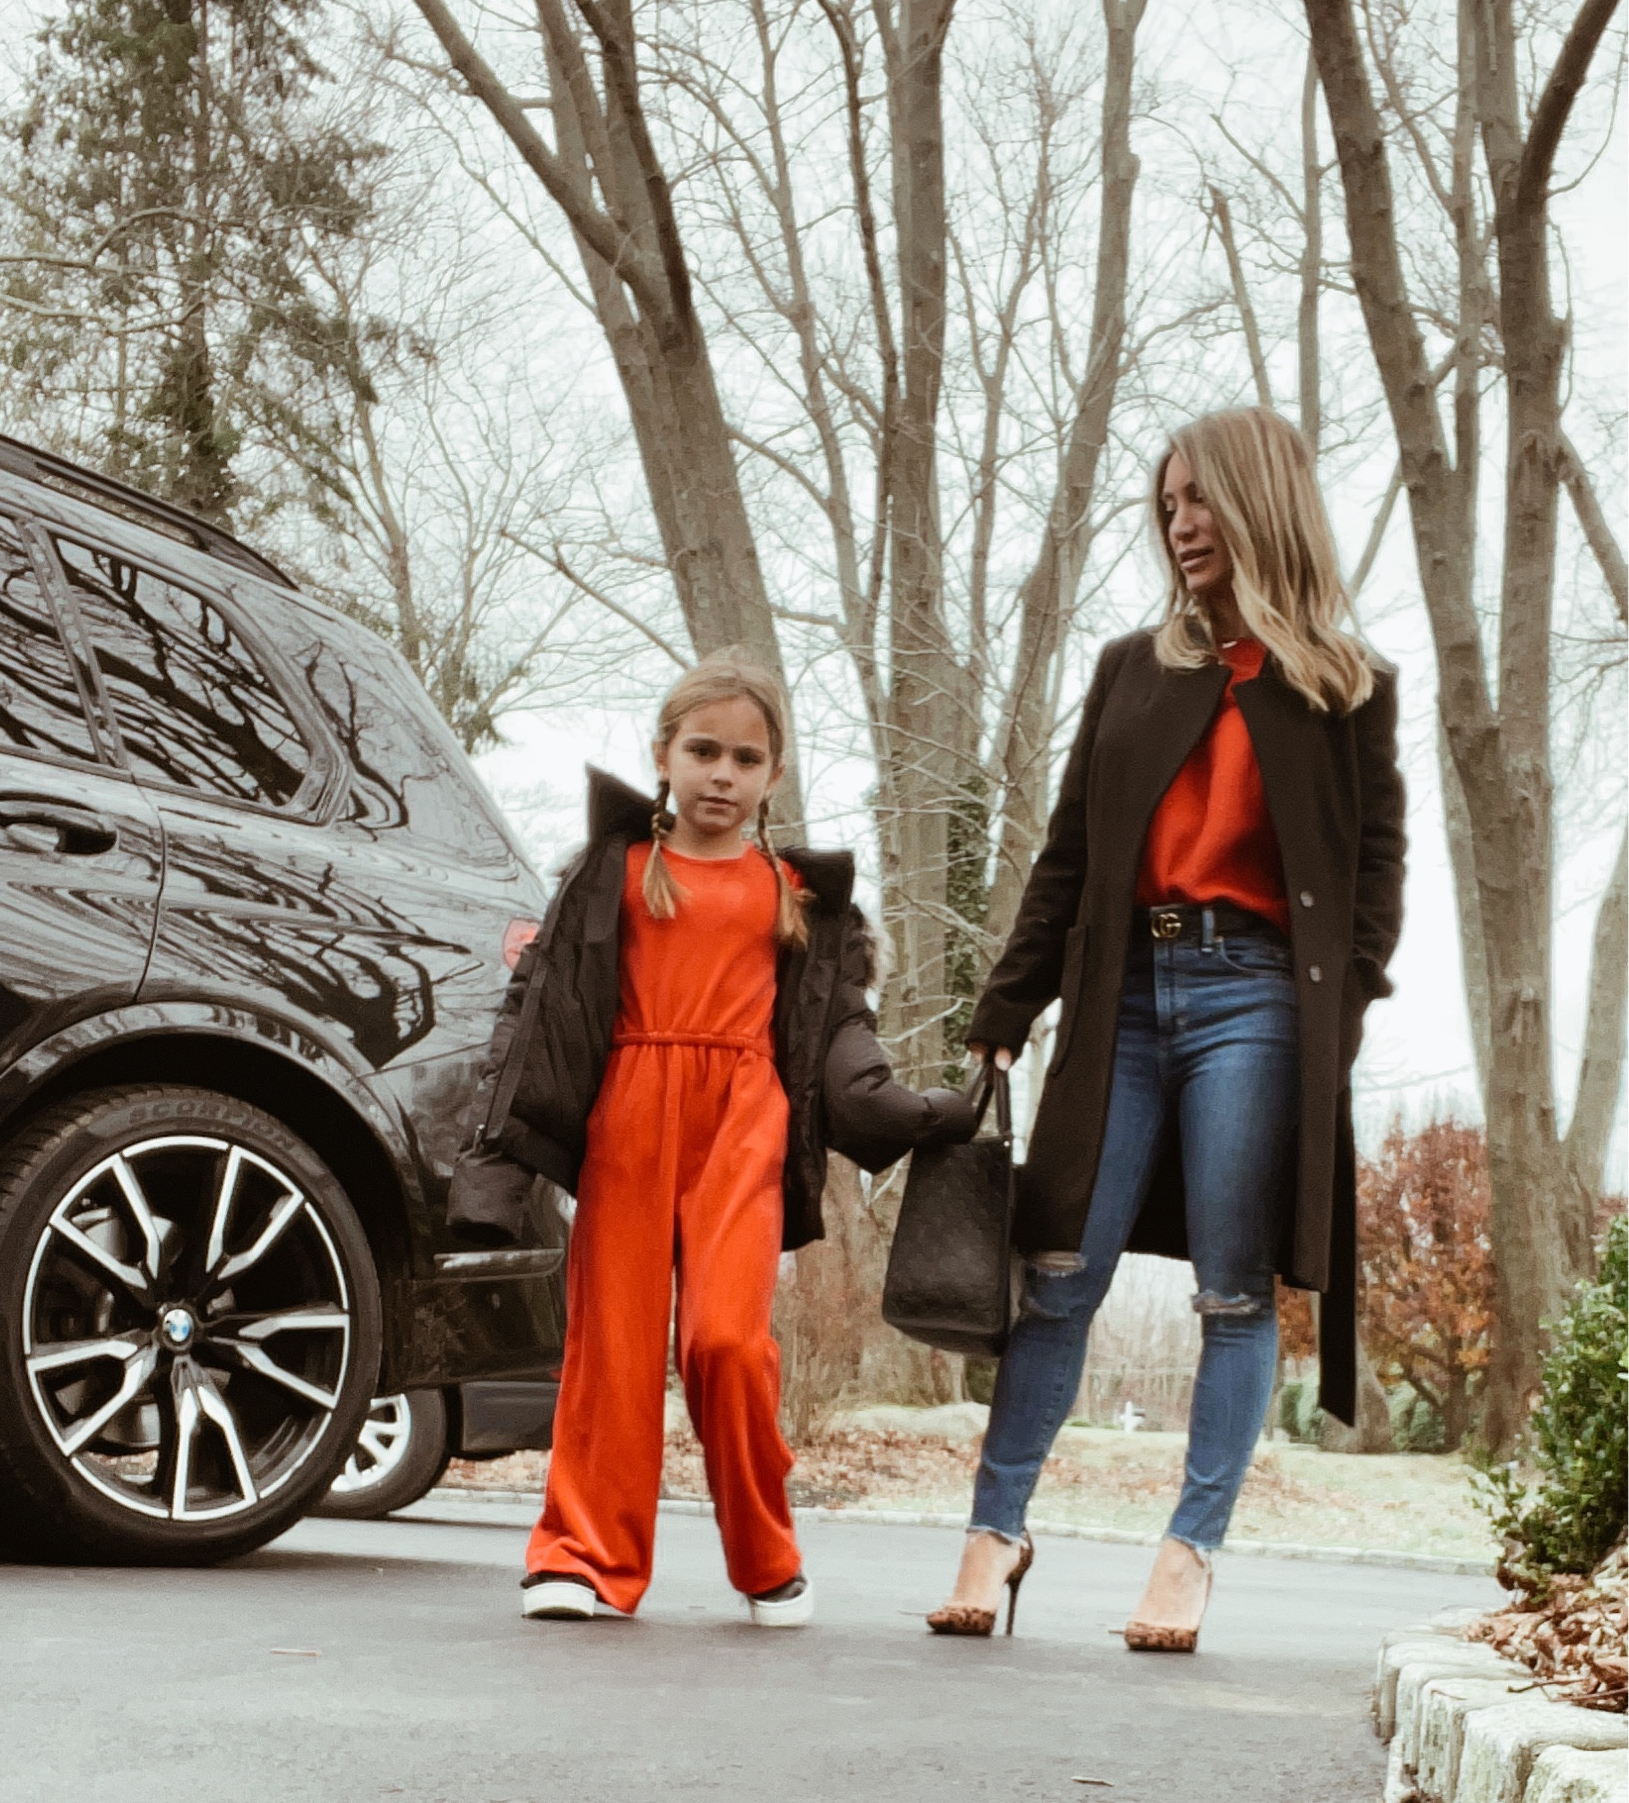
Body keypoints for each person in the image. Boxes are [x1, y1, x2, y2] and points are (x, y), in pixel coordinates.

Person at [928, 407, 1405, 1648]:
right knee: (1060, 1270)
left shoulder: (1346, 686)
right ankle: (995, 1530)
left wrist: (1337, 1015)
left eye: (1202, 498)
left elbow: (1373, 879)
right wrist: (1006, 1005)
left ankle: (1189, 1554)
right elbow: (1071, 850)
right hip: (1123, 997)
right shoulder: (1130, 668)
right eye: (1170, 501)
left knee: (1234, 1291)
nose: (1181, 522)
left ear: (1261, 503)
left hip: (1258, 1000)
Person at [449, 651, 977, 1626]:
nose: (722, 773)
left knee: (726, 1344)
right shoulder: (611, 875)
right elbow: (535, 1014)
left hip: (743, 1123)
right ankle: (583, 1559)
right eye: (703, 750)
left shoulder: (799, 896)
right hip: (626, 1118)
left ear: (773, 774)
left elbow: (837, 1031)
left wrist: (911, 1107)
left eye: (745, 757)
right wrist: (493, 1158)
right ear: (663, 755)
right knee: (611, 1350)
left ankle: (767, 1556)